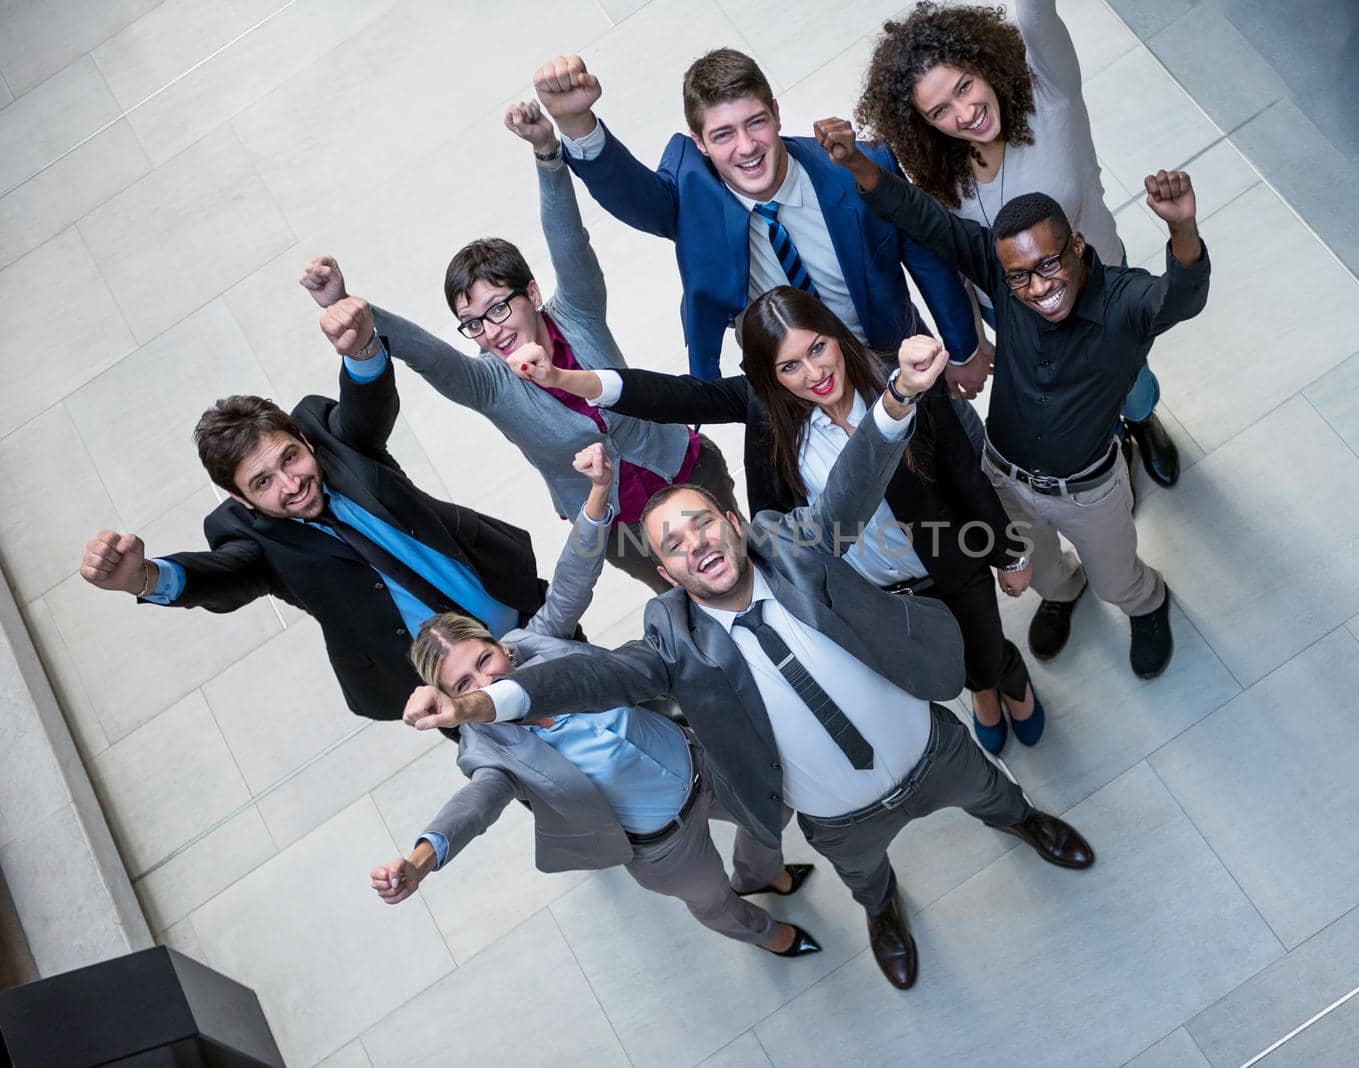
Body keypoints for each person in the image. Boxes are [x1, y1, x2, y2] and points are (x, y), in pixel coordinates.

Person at [399, 336, 1096, 991]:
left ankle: (1025, 822)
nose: (693, 540)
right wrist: (476, 705)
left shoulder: (793, 544)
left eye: (701, 521)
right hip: (839, 818)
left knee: (994, 792)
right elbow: (592, 677)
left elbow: (850, 489)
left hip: (931, 747)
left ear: (732, 524)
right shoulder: (673, 640)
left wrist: (899, 399)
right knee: (864, 875)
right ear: (667, 574)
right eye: (672, 543)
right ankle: (883, 910)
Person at [507, 286, 1043, 753]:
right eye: (789, 366)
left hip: (949, 559)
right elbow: (669, 395)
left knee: (985, 650)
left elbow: (963, 472)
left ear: (836, 336)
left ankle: (1001, 683)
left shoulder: (897, 379)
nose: (813, 375)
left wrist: (1008, 551)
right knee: (918, 665)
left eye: (818, 349)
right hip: (864, 587)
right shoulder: (768, 410)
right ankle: (981, 685)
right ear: (769, 375)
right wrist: (562, 378)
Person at [370, 444, 818, 957]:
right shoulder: (487, 749)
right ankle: (767, 934)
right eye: (465, 684)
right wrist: (421, 861)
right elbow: (475, 806)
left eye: (484, 660)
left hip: (704, 761)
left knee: (774, 813)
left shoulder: (538, 645)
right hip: (660, 841)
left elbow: (573, 579)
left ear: (502, 648)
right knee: (712, 900)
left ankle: (759, 874)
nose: (485, 681)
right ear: (452, 700)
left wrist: (601, 490)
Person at [815, 117, 1210, 678]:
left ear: (1075, 244)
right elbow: (922, 218)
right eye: (1021, 276)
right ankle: (1061, 592)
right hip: (1003, 476)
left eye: (1050, 264)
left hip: (1088, 489)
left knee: (1118, 577)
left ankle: (1146, 604)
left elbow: (1183, 298)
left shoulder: (1126, 300)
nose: (1041, 287)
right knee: (1042, 570)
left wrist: (1183, 230)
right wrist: (857, 164)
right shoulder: (1005, 276)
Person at [297, 98, 734, 595]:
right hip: (621, 529)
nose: (492, 331)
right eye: (473, 323)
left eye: (499, 308)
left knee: (751, 563)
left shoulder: (579, 314)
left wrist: (548, 153)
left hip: (688, 471)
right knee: (695, 607)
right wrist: (351, 307)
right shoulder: (487, 384)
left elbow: (569, 241)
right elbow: (424, 352)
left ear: (531, 293)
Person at [77, 297, 551, 726]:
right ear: (241, 499)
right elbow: (221, 576)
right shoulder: (248, 535)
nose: (291, 483)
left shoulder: (331, 439)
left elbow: (366, 412)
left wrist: (362, 348)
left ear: (304, 441)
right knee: (561, 791)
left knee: (609, 696)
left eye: (290, 458)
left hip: (521, 614)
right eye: (263, 482)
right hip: (452, 696)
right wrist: (142, 578)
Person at [529, 47, 996, 414]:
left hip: (897, 363)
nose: (747, 147)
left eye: (756, 123)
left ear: (776, 112)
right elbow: (630, 193)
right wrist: (576, 123)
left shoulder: (859, 167)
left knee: (970, 493)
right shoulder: (692, 201)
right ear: (700, 143)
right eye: (724, 133)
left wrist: (963, 349)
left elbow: (929, 260)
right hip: (796, 397)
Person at [855, 0, 1182, 489]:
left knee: (1129, 382)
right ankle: (1108, 451)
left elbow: (1035, 16)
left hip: (1103, 292)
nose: (965, 114)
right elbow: (956, 257)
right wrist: (973, 337)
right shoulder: (939, 170)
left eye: (965, 86)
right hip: (1013, 310)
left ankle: (1141, 419)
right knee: (1071, 400)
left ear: (984, 64)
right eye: (940, 110)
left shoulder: (1050, 95)